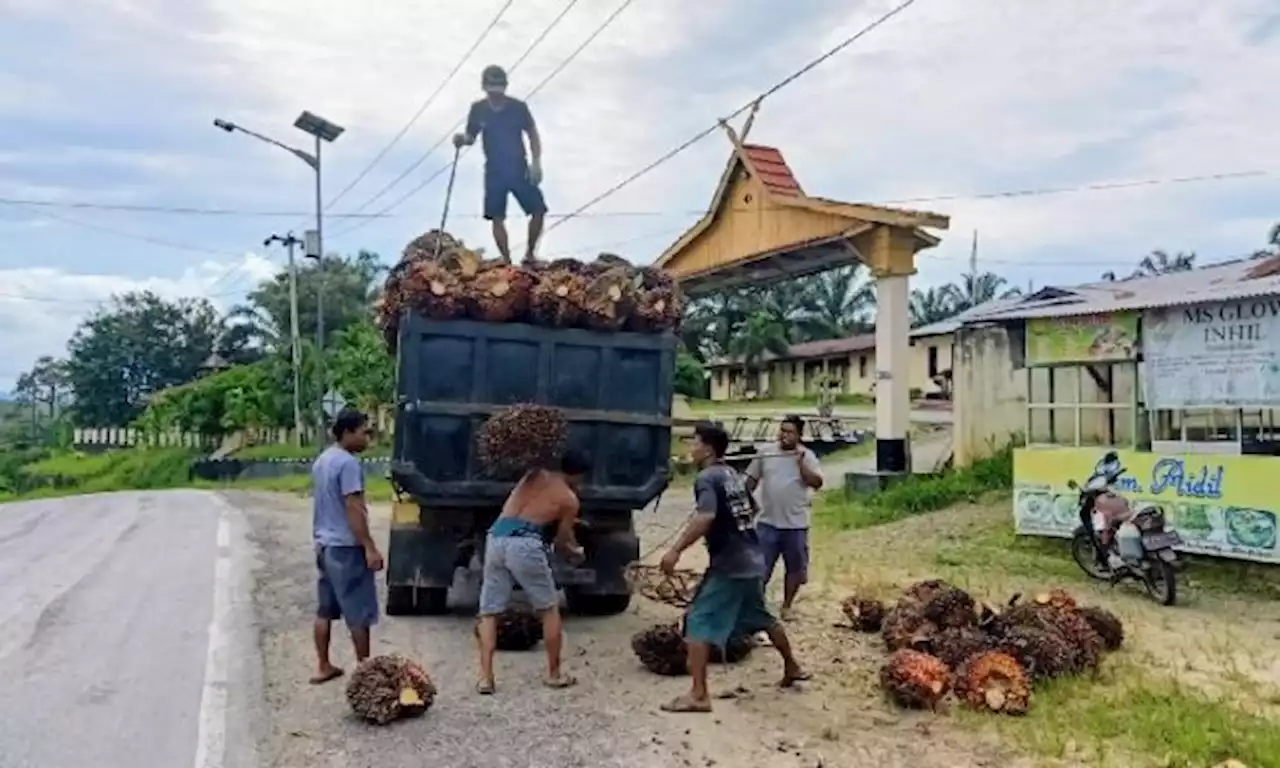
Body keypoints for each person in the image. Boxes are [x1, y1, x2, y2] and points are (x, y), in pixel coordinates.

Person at [658, 422, 810, 713]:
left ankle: (699, 695)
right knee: (762, 616)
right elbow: (751, 509)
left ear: (708, 449)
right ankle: (792, 667)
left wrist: (675, 551)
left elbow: (705, 517)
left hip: (730, 565)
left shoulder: (706, 478)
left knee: (698, 621)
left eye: (694, 442)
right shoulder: (732, 474)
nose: (691, 448)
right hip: (753, 559)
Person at [475, 449, 589, 695]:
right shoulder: (569, 499)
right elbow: (561, 541)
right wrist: (575, 551)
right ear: (579, 476)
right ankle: (554, 674)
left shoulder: (533, 474)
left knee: (489, 611)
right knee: (548, 609)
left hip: (496, 538)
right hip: (525, 544)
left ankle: (485, 678)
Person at [309, 408, 384, 685]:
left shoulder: (323, 460)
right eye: (364, 432)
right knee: (358, 611)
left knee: (324, 609)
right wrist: (369, 546)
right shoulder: (349, 464)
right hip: (346, 547)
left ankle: (323, 665)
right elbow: (354, 508)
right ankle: (365, 673)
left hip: (324, 545)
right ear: (348, 432)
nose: (368, 438)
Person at [452, 64, 546, 264]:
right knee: (496, 216)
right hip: (494, 169)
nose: (496, 94)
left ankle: (530, 254)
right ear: (485, 88)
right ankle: (506, 259)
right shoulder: (478, 109)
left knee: (538, 209)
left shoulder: (518, 107)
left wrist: (536, 161)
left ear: (504, 87)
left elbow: (532, 134)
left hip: (519, 166)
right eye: (492, 89)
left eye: (499, 89)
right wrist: (462, 139)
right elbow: (471, 136)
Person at [744, 415, 824, 621]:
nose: (784, 435)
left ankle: (787, 606)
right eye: (782, 430)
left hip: (795, 524)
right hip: (767, 522)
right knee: (760, 569)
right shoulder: (766, 453)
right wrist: (745, 503)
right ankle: (756, 608)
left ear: (799, 435)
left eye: (789, 432)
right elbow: (751, 480)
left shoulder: (807, 456)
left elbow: (816, 482)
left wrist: (800, 464)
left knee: (795, 569)